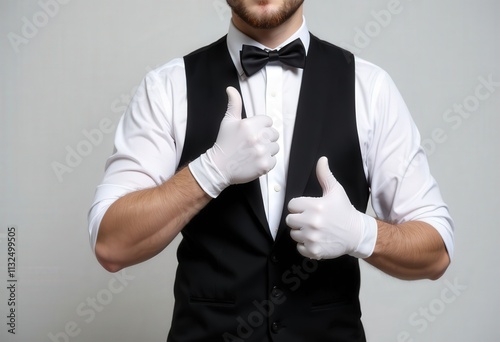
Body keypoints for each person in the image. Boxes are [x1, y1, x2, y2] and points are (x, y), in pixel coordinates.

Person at [88, 1, 454, 341]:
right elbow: (111, 244)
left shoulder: (370, 88)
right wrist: (209, 170)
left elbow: (435, 252)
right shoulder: (166, 88)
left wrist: (362, 232)